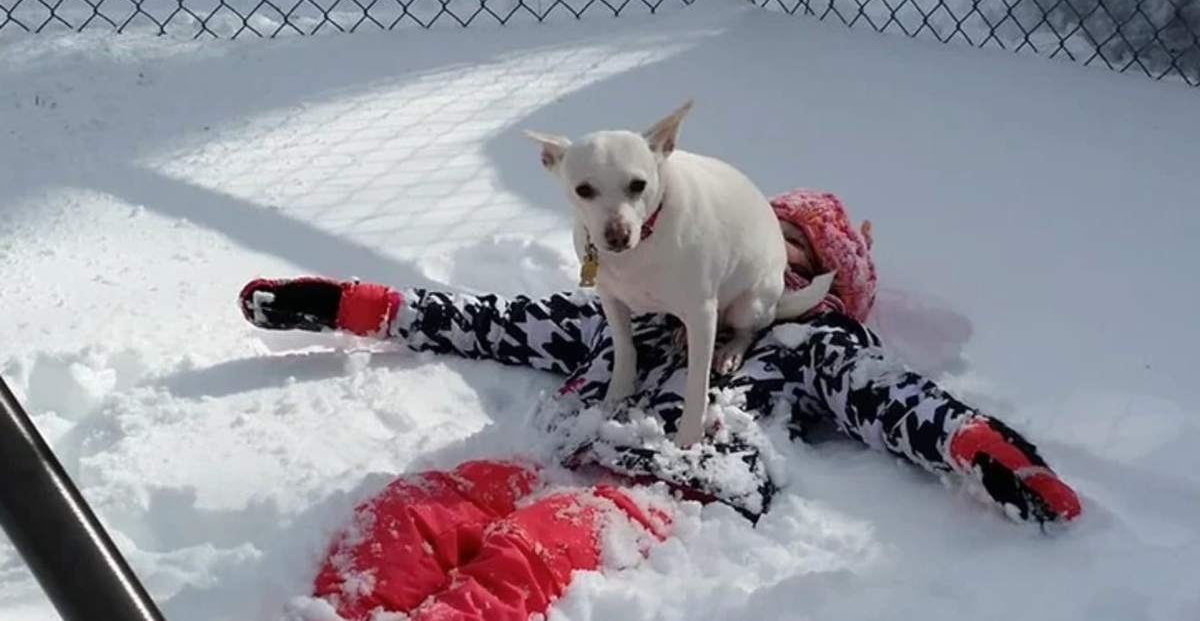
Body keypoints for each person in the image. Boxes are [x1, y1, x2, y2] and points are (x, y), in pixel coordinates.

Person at [240, 188, 1082, 621]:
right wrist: (357, 306)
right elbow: (496, 323)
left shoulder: (809, 345)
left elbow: (894, 400)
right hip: (549, 457)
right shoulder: (636, 310)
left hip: (659, 493)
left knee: (526, 553)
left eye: (792, 259)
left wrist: (983, 447)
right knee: (412, 506)